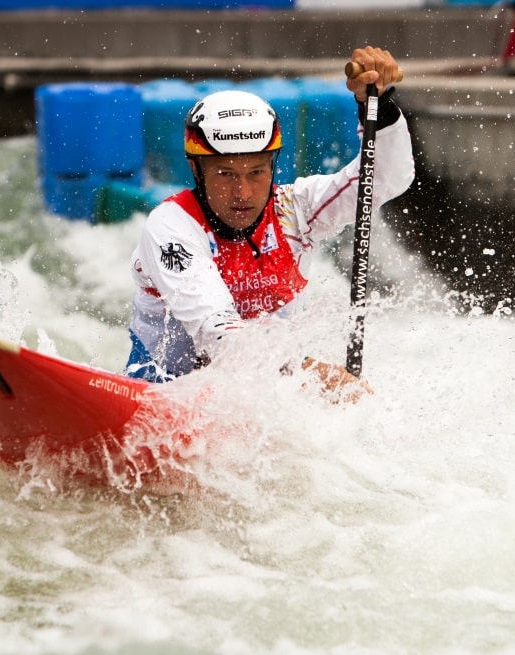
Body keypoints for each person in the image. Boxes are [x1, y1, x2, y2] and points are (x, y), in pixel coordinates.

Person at [125, 46, 414, 399]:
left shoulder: (296, 210)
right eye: (226, 174)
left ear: (273, 167)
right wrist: (311, 374)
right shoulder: (171, 227)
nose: (243, 192)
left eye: (256, 173)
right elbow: (220, 338)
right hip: (163, 392)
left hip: (267, 398)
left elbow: (384, 178)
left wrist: (378, 105)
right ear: (195, 170)